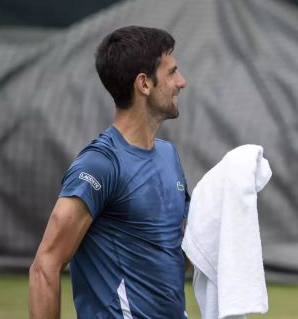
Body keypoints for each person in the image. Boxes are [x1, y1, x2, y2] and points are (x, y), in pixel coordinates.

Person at [29, 25, 190, 319]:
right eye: (172, 73)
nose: (182, 82)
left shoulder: (169, 156)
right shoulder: (99, 165)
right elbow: (45, 265)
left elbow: (177, 256)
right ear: (144, 84)